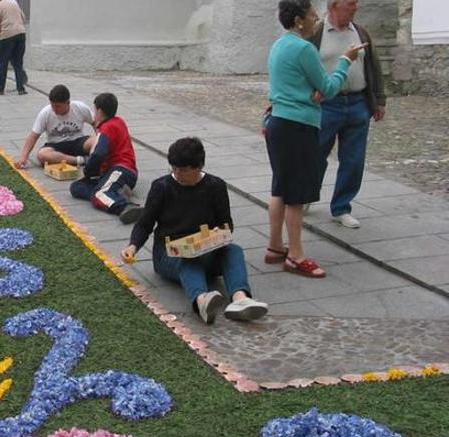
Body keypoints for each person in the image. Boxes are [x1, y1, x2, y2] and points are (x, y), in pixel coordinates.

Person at [264, 0, 366, 278]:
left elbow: (290, 82)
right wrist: (346, 60)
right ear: (298, 20)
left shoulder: (279, 44)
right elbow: (330, 87)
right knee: (296, 195)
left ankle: (275, 247)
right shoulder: (304, 48)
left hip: (278, 124)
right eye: (311, 15)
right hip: (299, 126)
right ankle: (295, 256)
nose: (316, 20)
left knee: (280, 189)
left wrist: (312, 89)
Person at [122, 137, 269, 324]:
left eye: (183, 170)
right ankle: (202, 301)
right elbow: (145, 223)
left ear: (199, 166)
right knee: (189, 261)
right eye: (173, 169)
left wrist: (217, 237)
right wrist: (133, 246)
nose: (178, 174)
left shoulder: (215, 186)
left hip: (207, 248)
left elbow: (226, 224)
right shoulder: (162, 187)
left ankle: (240, 299)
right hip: (170, 254)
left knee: (234, 251)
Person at [309, 0, 386, 229]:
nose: (356, 7)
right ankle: (306, 195)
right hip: (326, 105)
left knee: (353, 159)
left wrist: (379, 100)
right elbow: (303, 66)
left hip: (357, 102)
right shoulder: (316, 33)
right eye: (350, 3)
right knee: (314, 156)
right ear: (334, 6)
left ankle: (342, 207)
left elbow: (374, 66)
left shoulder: (360, 32)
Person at [69, 93, 144, 224]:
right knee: (76, 187)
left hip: (121, 169)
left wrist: (88, 171)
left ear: (99, 111)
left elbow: (98, 154)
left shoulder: (106, 128)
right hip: (114, 172)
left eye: (95, 110)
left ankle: (125, 206)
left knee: (99, 195)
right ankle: (113, 192)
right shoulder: (119, 121)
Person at [14, 84, 95, 169]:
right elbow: (33, 137)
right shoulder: (46, 113)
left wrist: (100, 142)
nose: (54, 109)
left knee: (96, 140)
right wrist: (23, 157)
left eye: (58, 106)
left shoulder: (80, 108)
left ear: (68, 102)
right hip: (56, 145)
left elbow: (96, 124)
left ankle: (94, 159)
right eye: (52, 105)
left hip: (78, 141)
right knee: (42, 155)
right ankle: (80, 160)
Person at [0, 0, 27, 95]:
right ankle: (21, 89)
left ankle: (0, 89)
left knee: (3, 62)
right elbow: (23, 17)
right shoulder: (14, 3)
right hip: (21, 34)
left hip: (7, 35)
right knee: (18, 63)